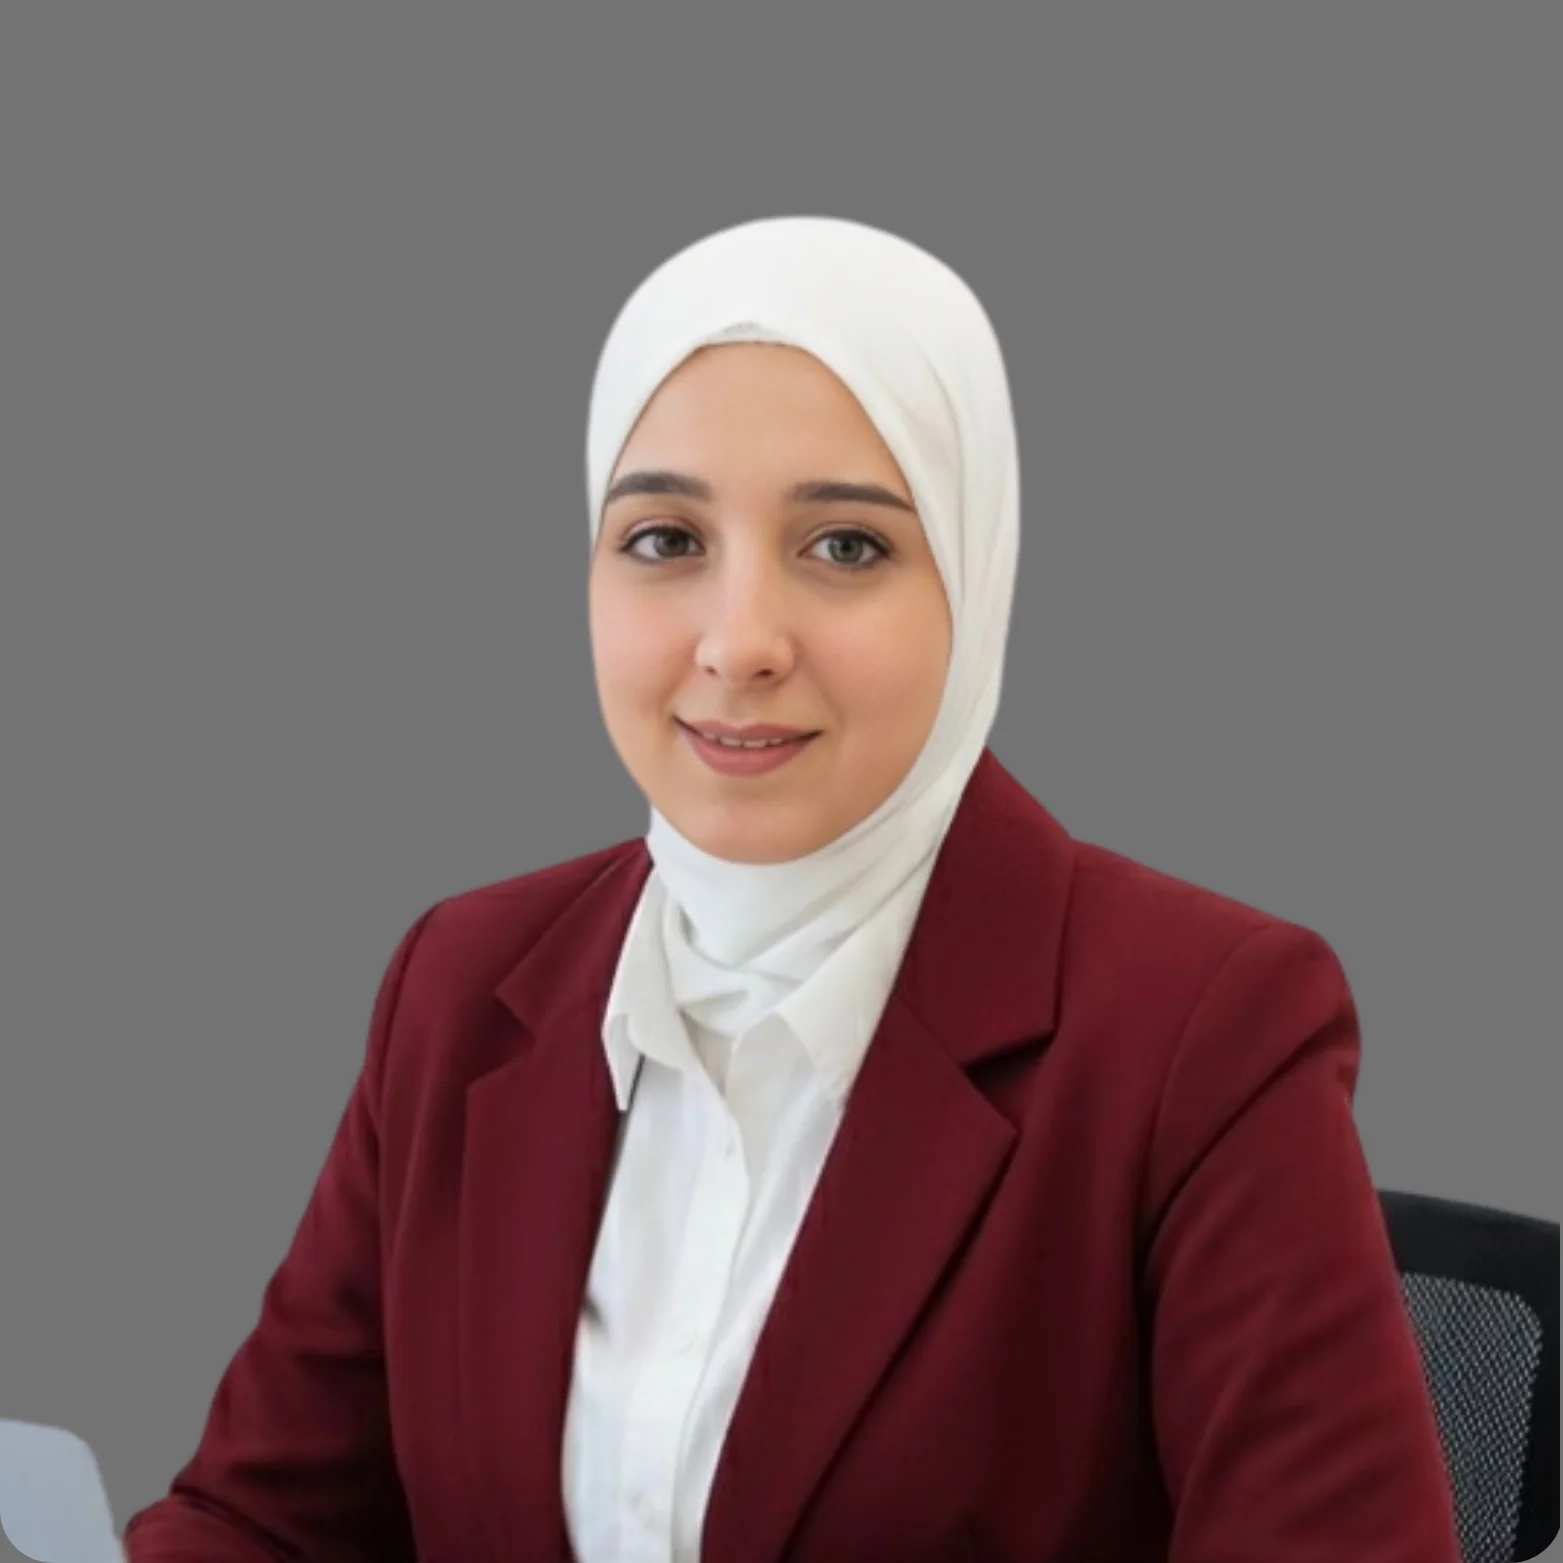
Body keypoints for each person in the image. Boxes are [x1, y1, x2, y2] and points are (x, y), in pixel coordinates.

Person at [122, 217, 1460, 1563]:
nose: (739, 643)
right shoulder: (460, 986)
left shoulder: (1200, 1034)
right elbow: (259, 1521)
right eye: (664, 538)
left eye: (846, 547)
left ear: (974, 575)